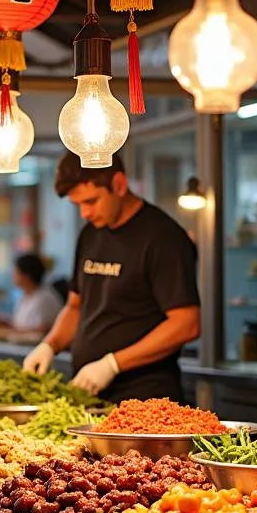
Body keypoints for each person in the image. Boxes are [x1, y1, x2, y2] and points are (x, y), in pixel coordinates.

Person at [24, 152, 201, 403]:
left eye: (92, 201)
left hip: (146, 401)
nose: (84, 213)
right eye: (78, 205)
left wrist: (112, 364)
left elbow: (186, 323)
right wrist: (49, 345)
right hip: (91, 396)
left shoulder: (163, 238)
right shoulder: (90, 234)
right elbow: (75, 306)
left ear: (119, 185)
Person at [10, 253, 63, 339]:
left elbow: (43, 331)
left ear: (26, 275)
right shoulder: (24, 297)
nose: (13, 276)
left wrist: (9, 332)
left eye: (16, 272)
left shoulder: (45, 298)